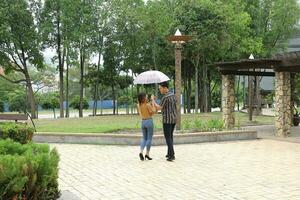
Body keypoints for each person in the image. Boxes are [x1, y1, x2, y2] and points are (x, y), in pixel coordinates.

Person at [153, 82, 177, 161]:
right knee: (170, 136)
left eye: (160, 88)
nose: (160, 90)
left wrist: (153, 101)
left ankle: (172, 155)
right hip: (173, 119)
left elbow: (159, 108)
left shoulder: (165, 97)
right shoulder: (173, 95)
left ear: (164, 87)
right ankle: (169, 153)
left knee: (168, 137)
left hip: (167, 120)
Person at [137, 92, 156, 161]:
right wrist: (153, 101)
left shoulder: (139, 105)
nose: (147, 97)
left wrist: (150, 101)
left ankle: (141, 151)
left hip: (143, 122)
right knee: (149, 138)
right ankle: (147, 154)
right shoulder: (147, 105)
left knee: (144, 138)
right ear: (144, 98)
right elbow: (153, 111)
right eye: (146, 96)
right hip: (149, 121)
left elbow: (141, 113)